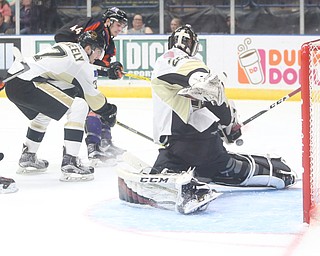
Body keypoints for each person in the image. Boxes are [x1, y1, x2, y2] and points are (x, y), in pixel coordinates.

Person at [117, 25, 297, 214]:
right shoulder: (193, 63)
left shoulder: (169, 57)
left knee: (176, 169)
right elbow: (218, 100)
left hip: (183, 145)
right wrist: (228, 126)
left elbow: (197, 75)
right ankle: (276, 171)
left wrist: (199, 79)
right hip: (206, 146)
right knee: (226, 166)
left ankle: (187, 186)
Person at [4, 30, 119, 182]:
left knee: (44, 112)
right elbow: (92, 96)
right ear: (88, 48)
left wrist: (104, 72)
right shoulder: (80, 63)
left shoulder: (69, 46)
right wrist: (108, 111)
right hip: (28, 84)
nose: (99, 56)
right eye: (98, 51)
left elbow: (63, 76)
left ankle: (28, 156)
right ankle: (70, 162)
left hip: (14, 81)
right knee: (79, 106)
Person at [55, 7, 127, 166]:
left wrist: (112, 71)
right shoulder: (94, 25)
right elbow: (60, 36)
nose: (120, 28)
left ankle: (104, 142)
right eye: (118, 24)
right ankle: (93, 148)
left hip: (84, 73)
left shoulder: (110, 45)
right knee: (90, 105)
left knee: (99, 102)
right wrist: (79, 57)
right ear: (108, 21)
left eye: (123, 25)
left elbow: (99, 66)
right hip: (71, 72)